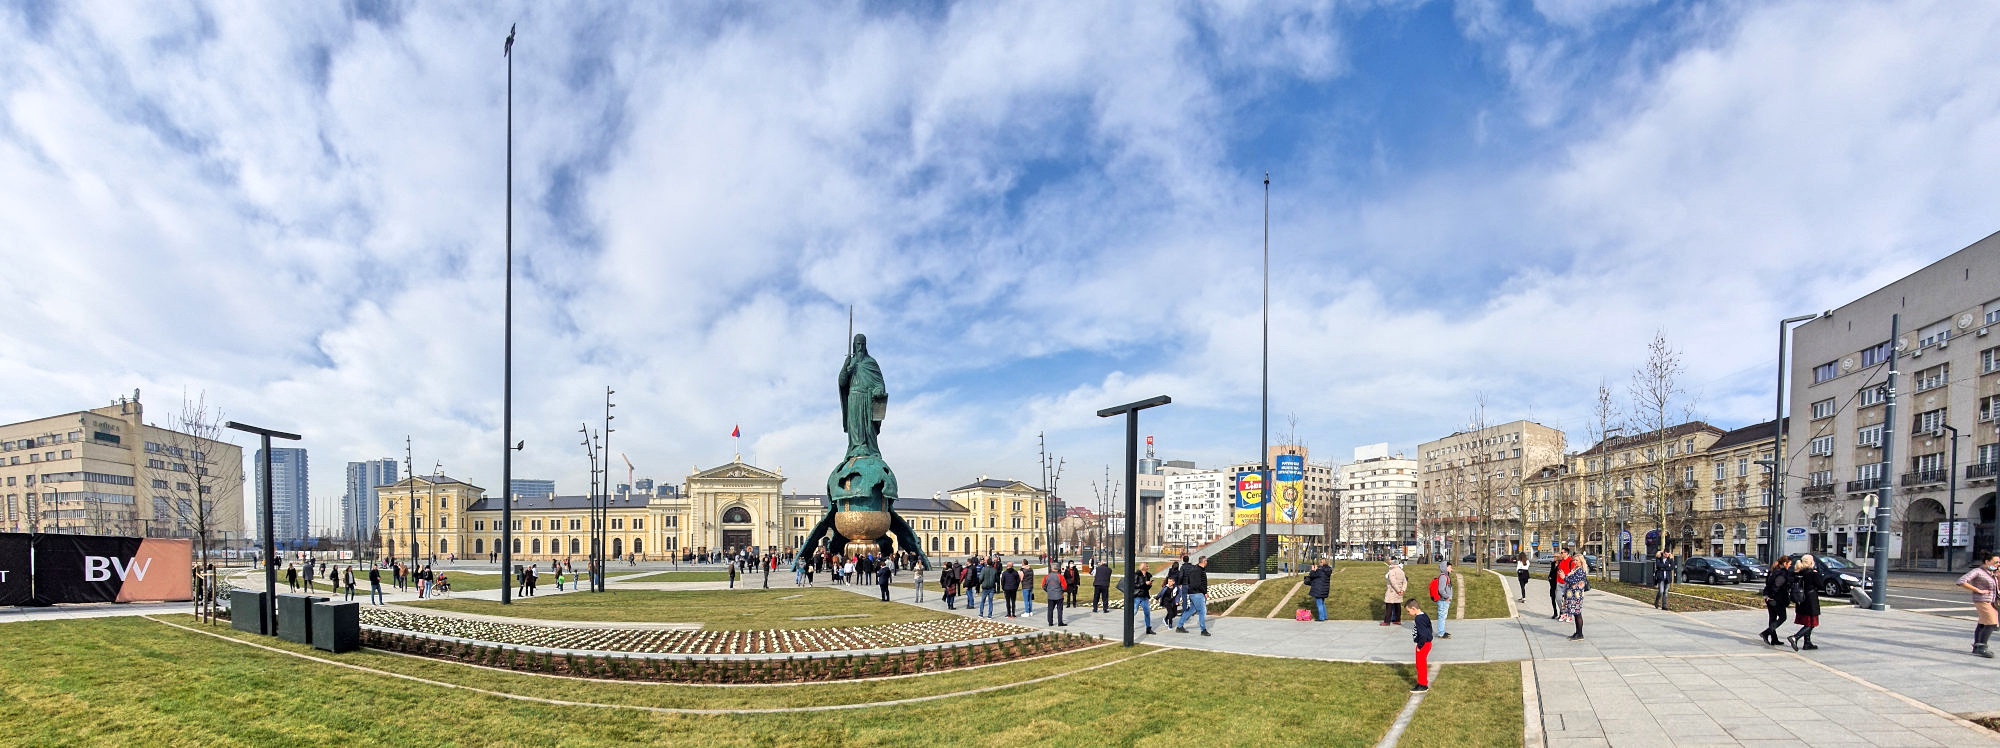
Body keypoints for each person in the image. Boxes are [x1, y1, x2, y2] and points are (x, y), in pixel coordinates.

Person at [1956, 553, 2000, 658]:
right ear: (1987, 562)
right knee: (1991, 623)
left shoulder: (1991, 573)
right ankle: (1982, 647)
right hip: (1982, 600)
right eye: (1996, 562)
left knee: (1983, 623)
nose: (1998, 564)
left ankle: (1977, 646)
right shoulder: (1978, 571)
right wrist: (1977, 590)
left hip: (1992, 601)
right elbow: (1961, 581)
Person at [1787, 554, 1823, 651]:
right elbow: (1821, 584)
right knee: (1811, 623)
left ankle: (1807, 643)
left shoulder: (1798, 572)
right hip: (1810, 600)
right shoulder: (1811, 573)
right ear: (1811, 562)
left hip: (1801, 600)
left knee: (1807, 621)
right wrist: (1817, 573)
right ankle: (1795, 637)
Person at [1759, 555, 1794, 646]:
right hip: (1776, 599)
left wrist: (1767, 595)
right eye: (1789, 564)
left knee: (1772, 618)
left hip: (1769, 598)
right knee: (1783, 617)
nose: (1790, 566)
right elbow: (1777, 585)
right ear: (1785, 563)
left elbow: (1767, 583)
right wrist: (1771, 595)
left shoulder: (1773, 570)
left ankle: (1774, 639)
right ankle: (1766, 633)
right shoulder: (1782, 573)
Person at [1175, 555, 1211, 636]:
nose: (1207, 562)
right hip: (1197, 593)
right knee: (1202, 611)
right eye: (1206, 561)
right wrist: (1204, 592)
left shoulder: (1197, 569)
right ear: (1204, 561)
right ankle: (1203, 630)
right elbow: (1197, 584)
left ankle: (1179, 626)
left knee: (1191, 610)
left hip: (1193, 593)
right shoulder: (1197, 570)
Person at [1561, 550, 1589, 640]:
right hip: (1571, 594)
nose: (1575, 562)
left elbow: (1573, 581)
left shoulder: (1581, 571)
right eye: (1574, 560)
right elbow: (1570, 579)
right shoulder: (1575, 569)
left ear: (1581, 561)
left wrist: (1564, 577)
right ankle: (1577, 632)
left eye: (1577, 560)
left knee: (1578, 614)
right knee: (1575, 614)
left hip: (1576, 596)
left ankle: (1580, 634)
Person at [1408, 601, 1433, 693]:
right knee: (1420, 664)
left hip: (1423, 644)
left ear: (1413, 609)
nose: (1408, 613)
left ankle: (1423, 685)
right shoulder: (1424, 615)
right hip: (1426, 644)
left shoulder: (1419, 619)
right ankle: (1421, 682)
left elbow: (1423, 634)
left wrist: (1420, 645)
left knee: (1420, 665)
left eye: (1408, 611)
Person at [1130, 564, 1156, 635]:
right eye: (1147, 566)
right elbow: (1134, 585)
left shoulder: (1148, 575)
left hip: (1145, 596)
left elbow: (1146, 587)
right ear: (1143, 567)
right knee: (1134, 612)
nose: (1148, 567)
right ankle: (1129, 627)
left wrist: (1149, 585)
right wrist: (1144, 583)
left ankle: (1148, 629)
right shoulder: (1137, 575)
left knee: (1147, 613)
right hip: (1138, 596)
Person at [1432, 560, 1455, 639]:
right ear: (1445, 568)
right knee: (1442, 616)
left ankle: (1442, 631)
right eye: (1450, 567)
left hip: (1445, 600)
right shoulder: (1443, 577)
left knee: (1443, 617)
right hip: (1443, 600)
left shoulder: (1446, 576)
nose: (1451, 568)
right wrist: (1447, 597)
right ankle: (1441, 633)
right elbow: (1441, 590)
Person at [1382, 561, 1407, 626]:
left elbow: (1393, 582)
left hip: (1392, 591)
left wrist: (1398, 590)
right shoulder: (1402, 571)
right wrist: (1402, 590)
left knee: (1389, 605)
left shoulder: (1392, 571)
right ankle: (1397, 620)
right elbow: (1405, 582)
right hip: (1400, 591)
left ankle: (1387, 621)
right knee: (1397, 605)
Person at [1548, 550, 1565, 620]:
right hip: (1552, 583)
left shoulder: (1561, 563)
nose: (1553, 558)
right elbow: (1551, 571)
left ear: (1558, 557)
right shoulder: (1553, 563)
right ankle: (1555, 612)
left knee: (1559, 599)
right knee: (1552, 598)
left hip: (1558, 582)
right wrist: (1549, 577)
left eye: (1555, 556)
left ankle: (1561, 613)